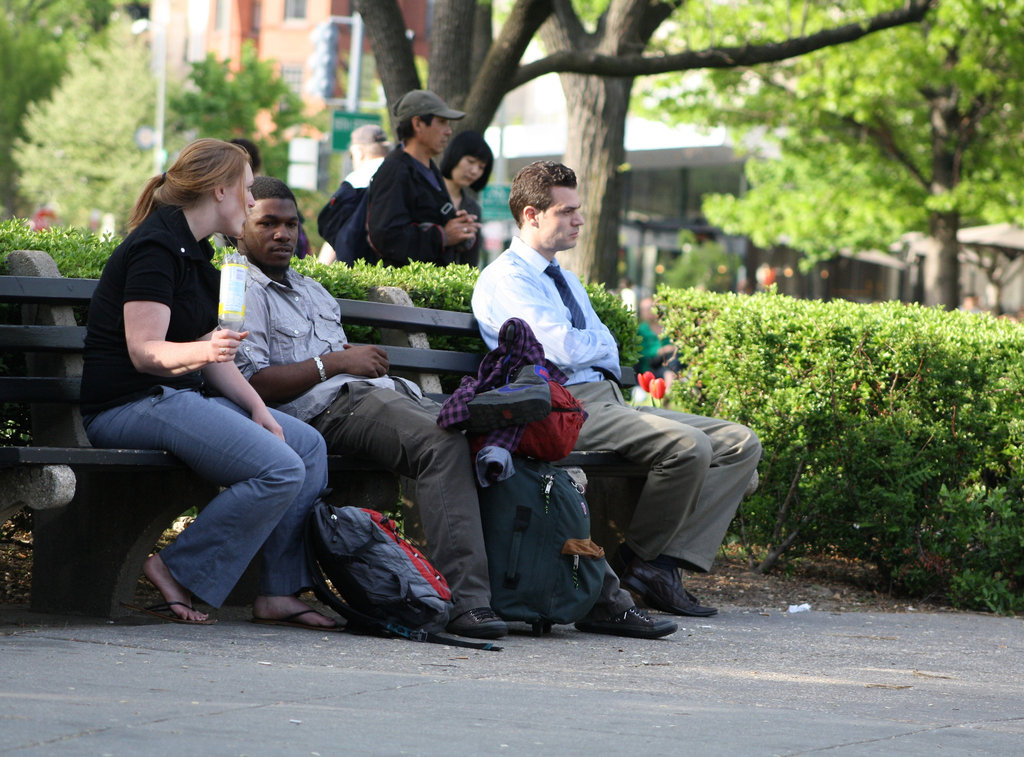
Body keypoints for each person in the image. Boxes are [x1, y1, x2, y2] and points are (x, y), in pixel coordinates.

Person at [234, 175, 676, 640]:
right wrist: (336, 362)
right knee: (442, 440)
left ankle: (596, 598)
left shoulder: (311, 290)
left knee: (498, 442)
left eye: (289, 223)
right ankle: (468, 601)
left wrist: (347, 362)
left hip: (386, 395)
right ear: (242, 226)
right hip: (330, 408)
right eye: (267, 223)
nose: (282, 233)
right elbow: (254, 383)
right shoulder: (241, 289)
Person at [472, 161, 763, 618]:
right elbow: (564, 348)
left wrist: (594, 345)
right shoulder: (507, 279)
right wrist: (596, 344)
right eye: (566, 211)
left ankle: (658, 563)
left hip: (605, 402)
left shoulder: (563, 278)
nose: (579, 220)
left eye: (578, 210)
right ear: (531, 215)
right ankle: (636, 561)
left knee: (740, 443)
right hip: (562, 409)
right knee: (689, 447)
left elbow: (596, 346)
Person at [79, 139, 334, 630]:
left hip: (175, 397)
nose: (254, 202)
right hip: (129, 404)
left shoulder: (196, 252)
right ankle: (173, 567)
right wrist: (204, 350)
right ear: (220, 191)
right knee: (280, 468)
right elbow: (145, 351)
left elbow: (208, 352)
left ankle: (278, 591)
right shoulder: (155, 248)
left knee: (306, 445)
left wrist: (257, 407)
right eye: (247, 189)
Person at [366, 89, 479, 266]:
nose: (448, 131)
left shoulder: (430, 169)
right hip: (404, 290)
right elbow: (385, 237)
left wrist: (457, 225)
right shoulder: (395, 170)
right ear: (418, 124)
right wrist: (443, 236)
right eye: (441, 122)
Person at [318, 124, 391, 265]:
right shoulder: (399, 174)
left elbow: (335, 229)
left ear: (359, 152)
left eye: (351, 156)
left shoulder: (357, 179)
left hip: (360, 266)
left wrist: (319, 272)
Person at [440, 130, 494, 267]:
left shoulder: (473, 208)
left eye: (481, 167)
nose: (474, 171)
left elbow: (471, 262)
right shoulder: (427, 195)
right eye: (470, 161)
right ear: (454, 155)